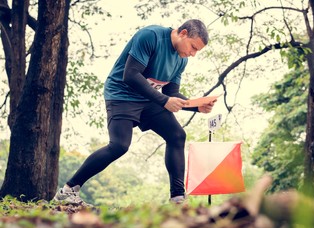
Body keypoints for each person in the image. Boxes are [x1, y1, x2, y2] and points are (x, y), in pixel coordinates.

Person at [53, 19, 215, 206]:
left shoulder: (181, 59)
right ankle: (68, 190)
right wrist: (164, 101)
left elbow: (171, 93)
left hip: (149, 100)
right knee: (119, 146)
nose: (193, 54)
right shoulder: (151, 36)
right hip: (122, 95)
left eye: (197, 51)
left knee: (177, 135)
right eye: (193, 47)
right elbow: (130, 75)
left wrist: (197, 107)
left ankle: (177, 198)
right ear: (183, 33)